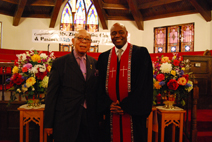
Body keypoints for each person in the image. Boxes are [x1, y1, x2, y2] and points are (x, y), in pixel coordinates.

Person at [97, 23, 153, 142]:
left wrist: (125, 106)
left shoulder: (141, 54)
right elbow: (98, 86)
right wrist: (108, 105)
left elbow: (144, 85)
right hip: (111, 114)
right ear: (110, 36)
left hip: (134, 115)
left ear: (126, 34)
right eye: (114, 33)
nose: (117, 35)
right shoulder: (104, 57)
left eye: (121, 32)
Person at [44, 29, 98, 142]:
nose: (83, 42)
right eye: (80, 38)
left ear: (90, 44)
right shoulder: (60, 63)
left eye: (87, 39)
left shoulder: (94, 63)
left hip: (88, 119)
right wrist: (49, 123)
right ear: (73, 41)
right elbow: (52, 95)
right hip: (66, 119)